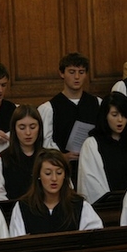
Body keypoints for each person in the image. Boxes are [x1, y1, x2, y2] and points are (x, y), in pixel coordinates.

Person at [38, 53, 101, 182]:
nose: (77, 77)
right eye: (72, 72)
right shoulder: (49, 108)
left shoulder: (97, 103)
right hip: (61, 169)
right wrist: (61, 157)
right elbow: (45, 142)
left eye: (81, 72)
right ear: (62, 73)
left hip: (93, 168)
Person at [10, 149, 104, 236]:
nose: (54, 179)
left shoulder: (80, 206)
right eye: (48, 173)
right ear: (38, 175)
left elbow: (94, 239)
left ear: (65, 175)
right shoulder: (23, 208)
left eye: (59, 173)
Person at [77, 92, 127, 203]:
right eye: (114, 115)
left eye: (124, 115)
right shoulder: (92, 144)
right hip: (109, 207)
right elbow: (91, 183)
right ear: (105, 116)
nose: (120, 120)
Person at [0, 104, 44, 202]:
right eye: (22, 127)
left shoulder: (50, 158)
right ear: (14, 129)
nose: (28, 132)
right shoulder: (0, 161)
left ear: (40, 128)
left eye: (33, 127)